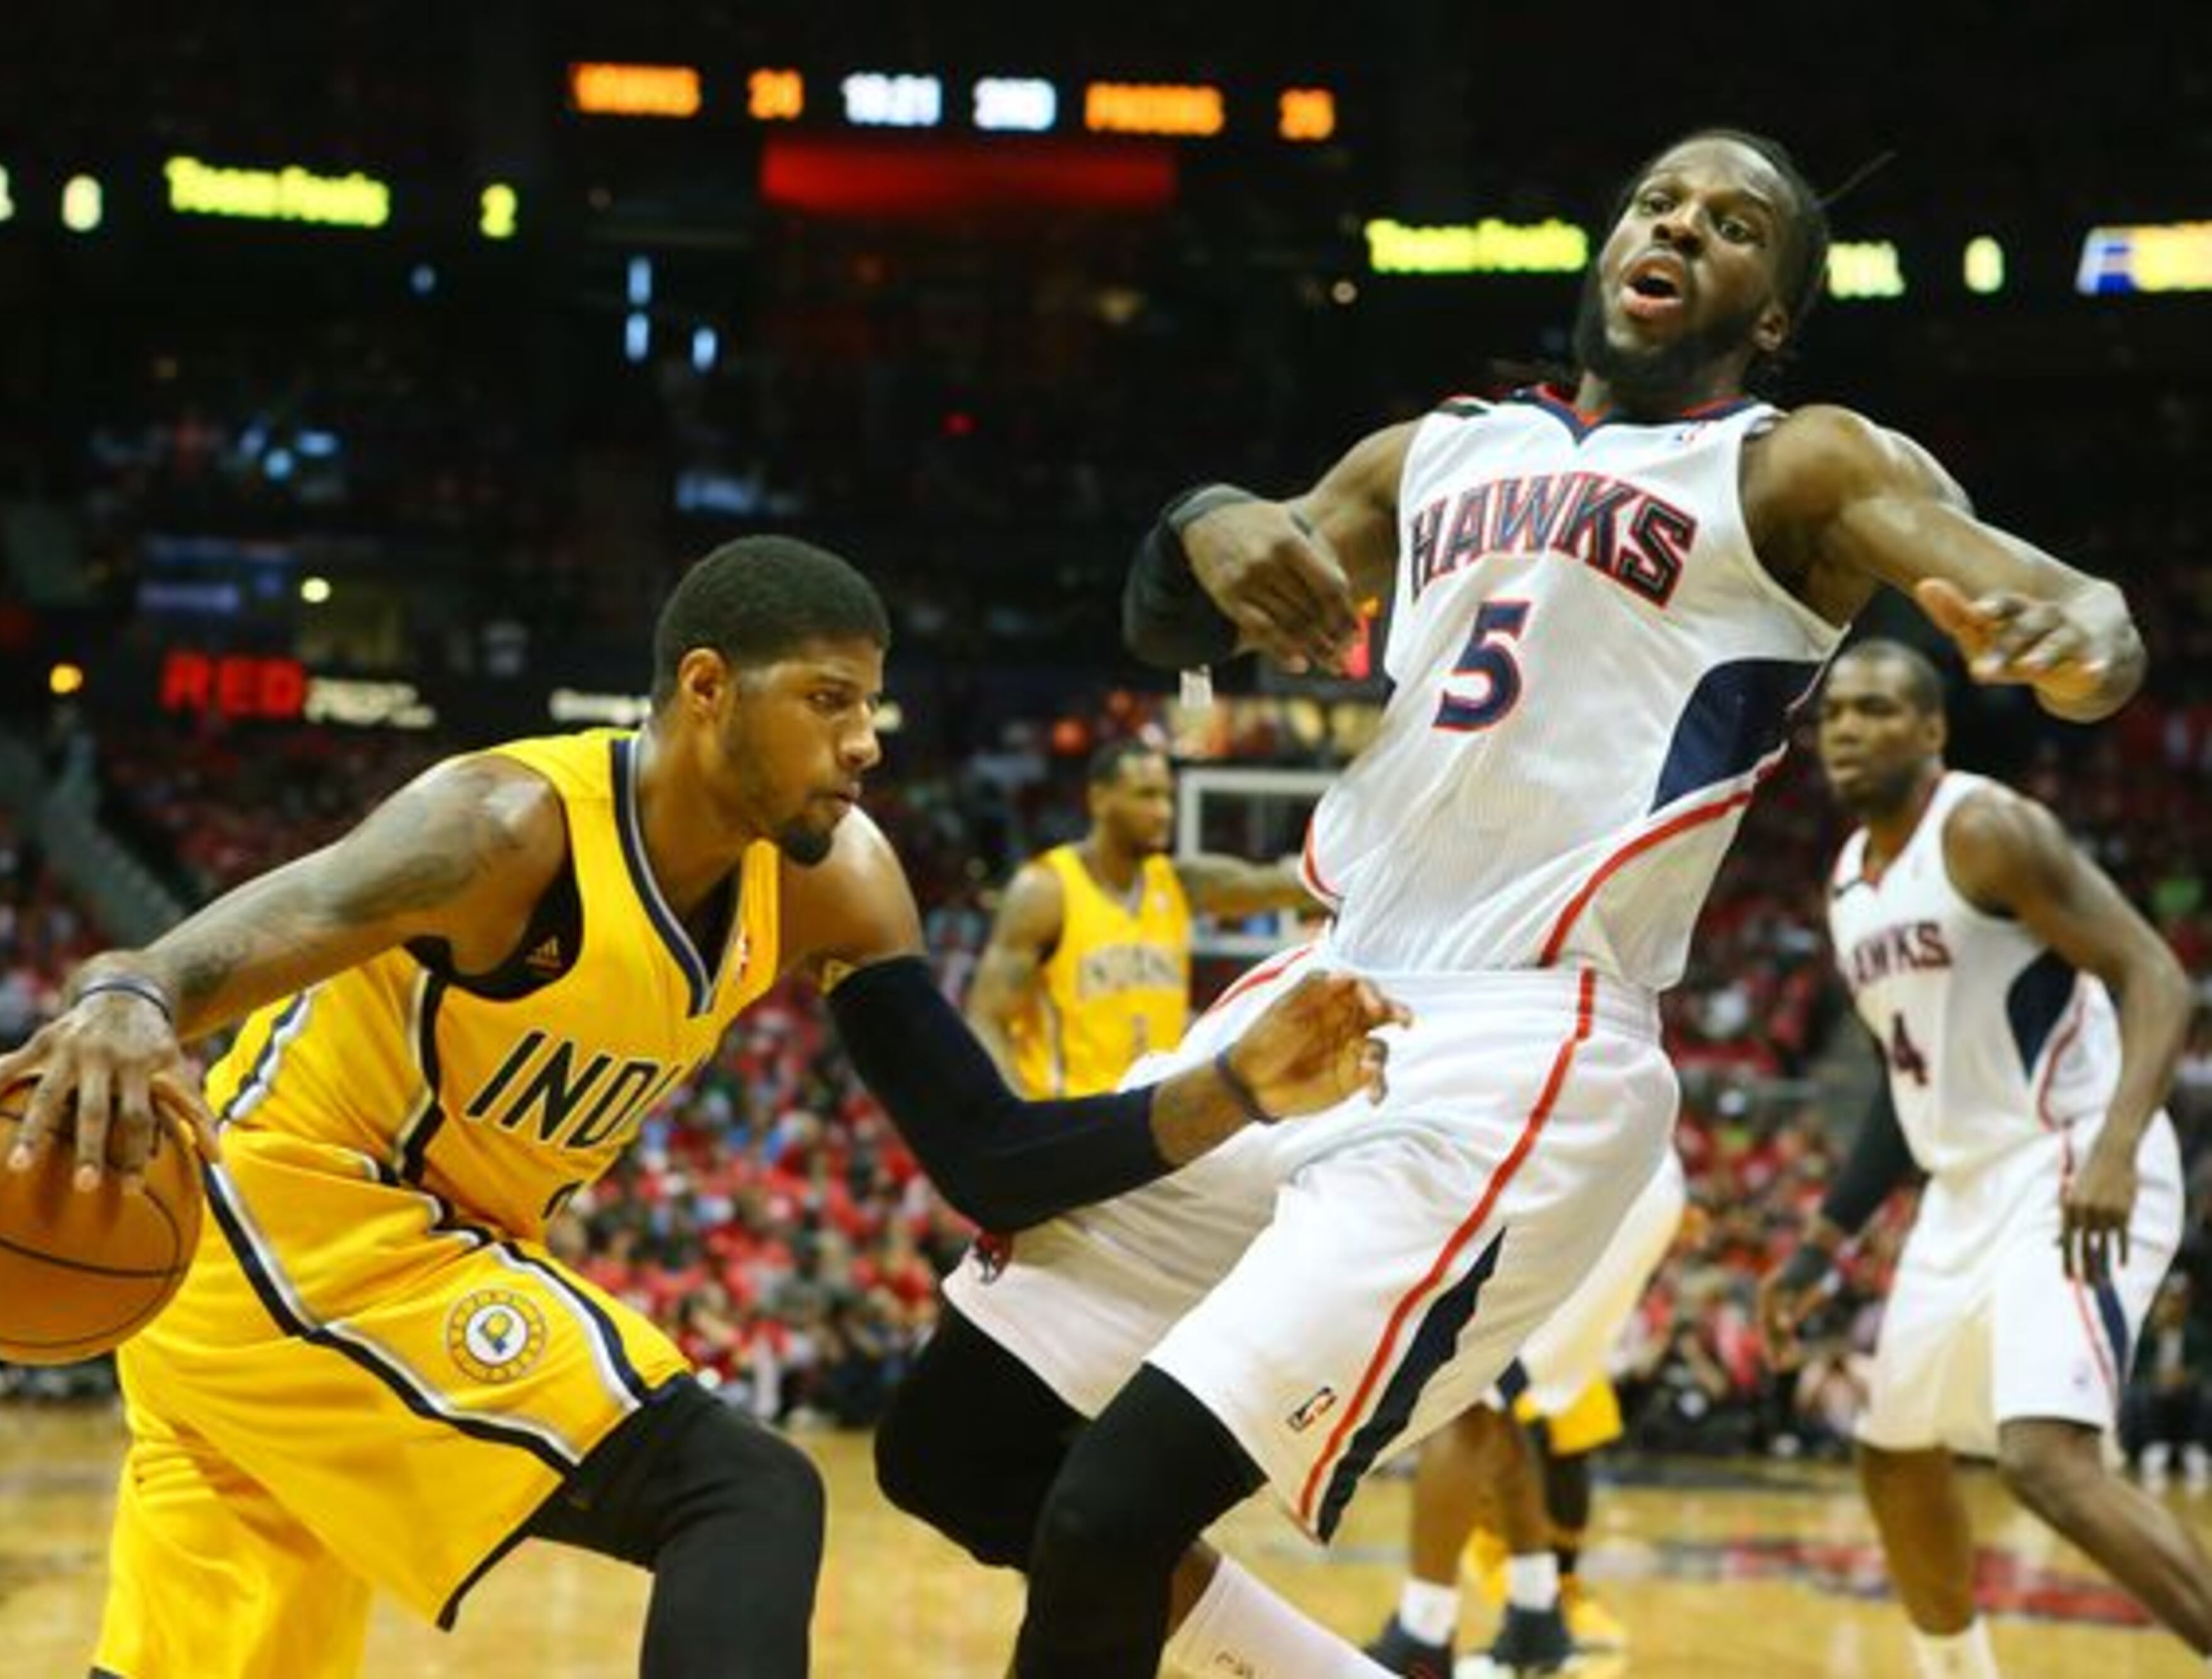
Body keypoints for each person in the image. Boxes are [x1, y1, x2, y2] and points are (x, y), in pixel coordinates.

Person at [873, 127, 2147, 1679]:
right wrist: (1200, 515)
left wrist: (2068, 639)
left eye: (1731, 223)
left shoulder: (1787, 463)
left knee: (1108, 1513)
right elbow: (1167, 613)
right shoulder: (1434, 451)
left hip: (1519, 1035)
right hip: (1320, 990)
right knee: (950, 1447)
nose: (1676, 220)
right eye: (1654, 197)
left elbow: (2086, 616)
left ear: (1767, 314)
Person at [0, 536, 1403, 1679]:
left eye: (872, 706)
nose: (865, 744)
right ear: (708, 687)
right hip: (295, 1222)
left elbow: (989, 1156)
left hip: (371, 1271)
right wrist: (127, 992)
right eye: (828, 701)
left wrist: (1229, 1089)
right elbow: (274, 920)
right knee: (745, 1492)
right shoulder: (504, 824)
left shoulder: (830, 877)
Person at [1759, 638, 2208, 1679]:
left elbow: (2155, 977)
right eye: (1835, 715)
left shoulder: (1988, 830)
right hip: (1963, 1188)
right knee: (1892, 1448)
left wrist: (2114, 1148)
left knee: (2046, 1462)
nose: (1849, 730)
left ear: (1933, 731)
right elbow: (1896, 1082)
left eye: (1877, 710)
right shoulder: (1847, 886)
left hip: (2067, 1162)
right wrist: (1824, 1242)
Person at [1364, 1147, 1686, 1675]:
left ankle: (1423, 1638)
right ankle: (1536, 1617)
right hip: (1615, 1173)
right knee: (1489, 1401)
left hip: (1594, 1175)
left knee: (1458, 1396)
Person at [966, 736, 1316, 1100]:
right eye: (1146, 795)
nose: (1164, 811)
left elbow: (1282, 887)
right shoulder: (1045, 891)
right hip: (1069, 1122)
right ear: (1099, 800)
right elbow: (985, 1019)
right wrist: (1017, 1116)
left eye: (1167, 796)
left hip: (1151, 1124)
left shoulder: (1179, 883)